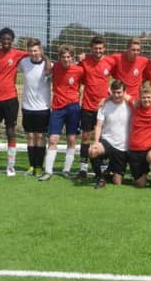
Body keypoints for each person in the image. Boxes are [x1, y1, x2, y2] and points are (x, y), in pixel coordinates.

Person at [0, 27, 28, 177]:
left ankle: (10, 167)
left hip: (10, 99)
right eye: (4, 39)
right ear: (0, 40)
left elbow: (36, 54)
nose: (6, 41)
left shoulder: (17, 54)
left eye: (9, 39)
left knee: (11, 131)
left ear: (12, 40)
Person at [39, 45, 84, 181]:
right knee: (53, 139)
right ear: (59, 58)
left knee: (71, 139)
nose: (66, 59)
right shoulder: (55, 67)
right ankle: (48, 171)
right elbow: (45, 65)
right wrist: (45, 56)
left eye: (68, 57)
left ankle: (66, 170)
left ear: (72, 57)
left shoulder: (79, 70)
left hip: (73, 108)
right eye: (63, 57)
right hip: (57, 108)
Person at [78, 36, 116, 181]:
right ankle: (83, 169)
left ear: (104, 49)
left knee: (103, 138)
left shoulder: (110, 62)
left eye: (100, 48)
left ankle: (104, 169)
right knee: (86, 137)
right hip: (87, 106)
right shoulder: (85, 61)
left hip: (104, 107)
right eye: (95, 48)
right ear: (91, 48)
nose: (98, 50)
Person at [89, 80, 132, 189]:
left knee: (117, 182)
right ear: (110, 92)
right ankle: (100, 177)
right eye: (114, 92)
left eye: (119, 92)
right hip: (108, 141)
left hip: (123, 147)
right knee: (93, 151)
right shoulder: (104, 105)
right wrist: (96, 142)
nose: (116, 95)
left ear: (124, 92)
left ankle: (109, 171)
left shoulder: (131, 106)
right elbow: (98, 125)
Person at [17, 39, 51, 177]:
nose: (33, 53)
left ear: (41, 50)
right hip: (27, 106)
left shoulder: (48, 65)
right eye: (30, 50)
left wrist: (47, 59)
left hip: (43, 107)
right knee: (30, 136)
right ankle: (31, 166)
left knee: (40, 136)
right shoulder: (23, 63)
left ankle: (39, 166)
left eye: (35, 50)